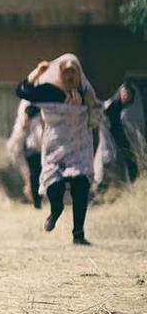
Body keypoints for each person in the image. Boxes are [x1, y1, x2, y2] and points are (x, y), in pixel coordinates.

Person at [15, 54, 102, 246]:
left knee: (81, 186)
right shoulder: (48, 91)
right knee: (54, 186)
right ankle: (55, 211)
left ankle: (78, 233)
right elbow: (21, 91)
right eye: (66, 71)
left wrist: (91, 105)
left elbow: (95, 120)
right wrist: (37, 73)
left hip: (79, 147)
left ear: (79, 73)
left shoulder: (86, 91)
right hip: (55, 147)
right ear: (59, 73)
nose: (70, 75)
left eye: (74, 71)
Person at [104, 80, 145, 183]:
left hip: (125, 143)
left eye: (129, 94)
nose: (126, 96)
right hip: (113, 138)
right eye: (125, 93)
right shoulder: (111, 106)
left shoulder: (129, 112)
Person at [8, 103, 45, 208]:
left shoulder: (39, 110)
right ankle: (37, 202)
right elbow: (22, 128)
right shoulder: (28, 109)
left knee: (36, 176)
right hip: (32, 147)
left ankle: (37, 201)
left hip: (38, 147)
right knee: (34, 176)